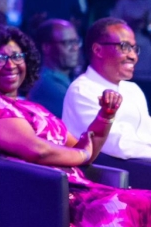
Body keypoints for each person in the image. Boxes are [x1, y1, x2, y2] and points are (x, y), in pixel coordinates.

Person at [0, 26, 151, 227]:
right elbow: (38, 150)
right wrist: (81, 153)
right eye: (0, 58)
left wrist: (105, 115)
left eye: (17, 56)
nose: (11, 65)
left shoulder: (30, 107)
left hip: (75, 193)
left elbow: (85, 150)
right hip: (41, 199)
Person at [62, 18, 151, 160]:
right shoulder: (82, 90)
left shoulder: (133, 89)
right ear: (98, 50)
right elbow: (117, 145)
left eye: (134, 48)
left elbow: (146, 131)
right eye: (124, 47)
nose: (133, 56)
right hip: (104, 175)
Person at [28, 19, 82, 118]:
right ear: (46, 47)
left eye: (76, 42)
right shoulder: (46, 84)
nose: (75, 48)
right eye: (67, 43)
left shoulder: (68, 78)